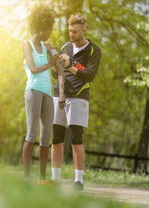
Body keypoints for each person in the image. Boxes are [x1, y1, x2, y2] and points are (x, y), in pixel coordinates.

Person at [50, 13, 102, 191]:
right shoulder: (64, 46)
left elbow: (89, 74)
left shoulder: (94, 50)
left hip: (79, 97)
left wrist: (70, 64)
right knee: (56, 138)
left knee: (76, 140)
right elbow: (55, 73)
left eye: (75, 31)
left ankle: (78, 181)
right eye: (70, 30)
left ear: (84, 31)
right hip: (59, 95)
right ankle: (54, 180)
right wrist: (54, 64)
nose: (71, 34)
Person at [21, 4, 65, 182]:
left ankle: (42, 178)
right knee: (32, 133)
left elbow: (59, 70)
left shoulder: (47, 48)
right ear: (40, 28)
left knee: (46, 136)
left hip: (48, 93)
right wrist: (49, 63)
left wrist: (53, 53)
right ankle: (26, 177)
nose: (50, 33)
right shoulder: (27, 44)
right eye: (48, 29)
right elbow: (33, 68)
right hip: (33, 90)